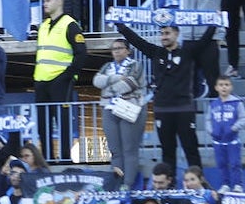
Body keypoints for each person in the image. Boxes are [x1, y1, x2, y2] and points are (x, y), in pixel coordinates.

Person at [115, 23, 217, 169]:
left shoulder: (188, 52)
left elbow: (205, 41)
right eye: (162, 33)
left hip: (184, 109)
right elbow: (137, 41)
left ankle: (198, 186)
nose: (163, 37)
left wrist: (214, 22)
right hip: (163, 110)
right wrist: (121, 26)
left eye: (167, 33)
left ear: (176, 34)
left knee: (191, 149)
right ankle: (170, 186)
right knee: (167, 151)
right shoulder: (156, 52)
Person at [33, 0, 86, 163]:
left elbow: (81, 53)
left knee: (62, 122)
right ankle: (47, 157)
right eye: (44, 1)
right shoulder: (43, 25)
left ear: (58, 2)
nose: (44, 3)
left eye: (48, 0)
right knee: (43, 123)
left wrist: (68, 76)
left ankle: (64, 158)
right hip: (41, 80)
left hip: (60, 81)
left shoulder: (70, 24)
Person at [94, 37, 148, 190]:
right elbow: (96, 81)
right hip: (109, 108)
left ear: (127, 51)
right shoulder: (107, 66)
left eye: (119, 48)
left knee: (129, 149)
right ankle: (116, 183)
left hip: (129, 107)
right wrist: (115, 78)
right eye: (113, 48)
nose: (116, 51)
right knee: (115, 150)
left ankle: (128, 185)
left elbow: (130, 84)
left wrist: (107, 89)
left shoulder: (135, 65)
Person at [207, 75, 245, 190]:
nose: (224, 87)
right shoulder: (213, 104)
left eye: (227, 85)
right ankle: (225, 184)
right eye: (221, 85)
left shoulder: (237, 103)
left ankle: (238, 185)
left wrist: (233, 128)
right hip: (218, 141)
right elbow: (208, 119)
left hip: (232, 140)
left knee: (235, 164)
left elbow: (243, 118)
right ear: (216, 87)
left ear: (231, 87)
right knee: (221, 164)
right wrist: (211, 131)